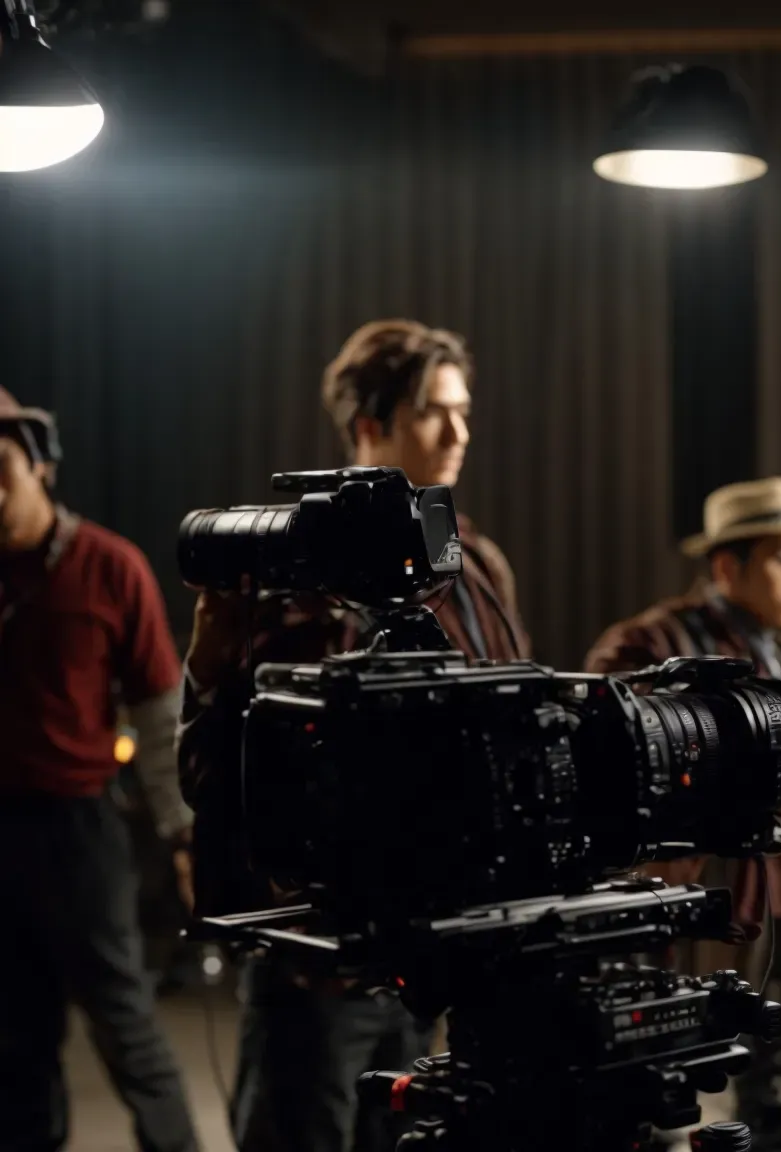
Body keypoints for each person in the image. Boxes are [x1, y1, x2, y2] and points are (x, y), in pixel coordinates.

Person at [178, 319, 529, 1152]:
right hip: (315, 967)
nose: (459, 433)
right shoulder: (297, 567)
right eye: (433, 413)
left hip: (432, 955)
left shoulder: (473, 563)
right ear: (371, 425)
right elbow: (231, 772)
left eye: (465, 411)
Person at [0, 389, 200, 1152]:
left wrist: (185, 833)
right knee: (14, 1044)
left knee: (125, 1026)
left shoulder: (109, 566)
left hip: (77, 832)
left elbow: (158, 716)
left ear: (40, 466)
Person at [583, 475, 781, 936]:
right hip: (683, 893)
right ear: (727, 568)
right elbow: (609, 754)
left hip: (758, 891)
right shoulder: (650, 641)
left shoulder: (768, 648)